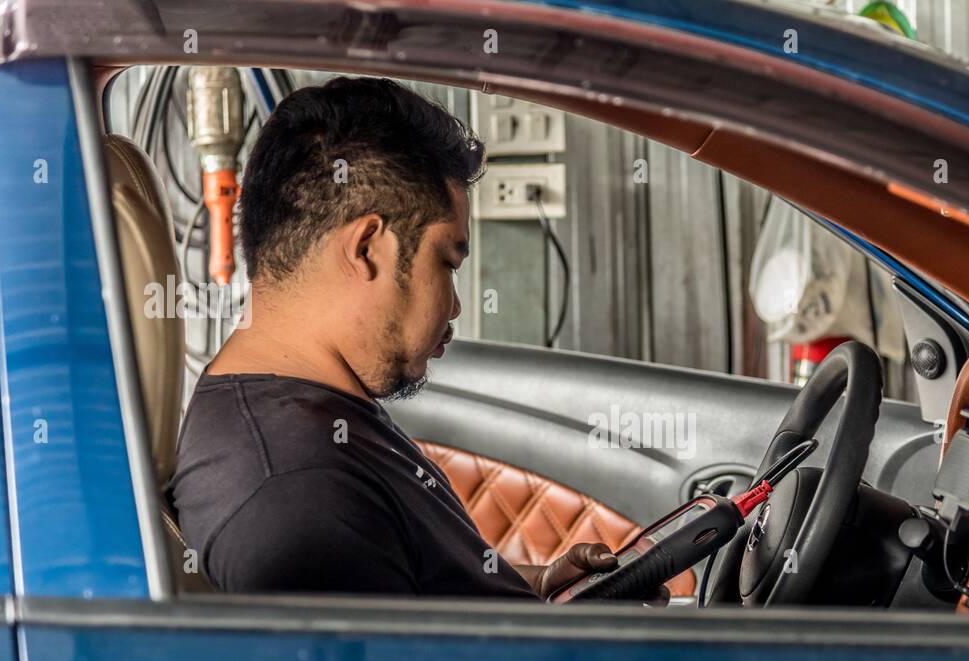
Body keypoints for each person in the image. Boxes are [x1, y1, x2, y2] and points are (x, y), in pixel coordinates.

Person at [171, 77, 660, 602]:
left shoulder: (310, 411)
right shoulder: (298, 497)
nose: (455, 305)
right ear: (367, 249)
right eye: (447, 261)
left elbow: (415, 581)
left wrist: (535, 588)